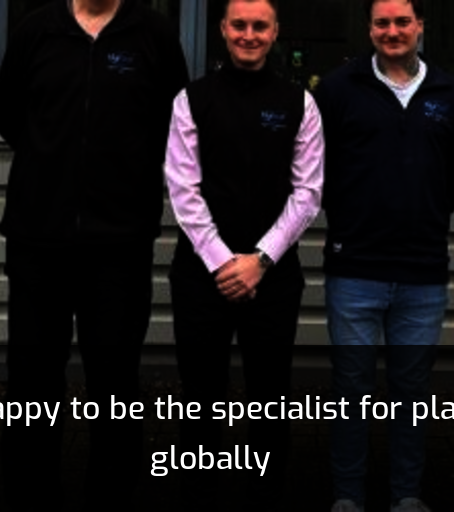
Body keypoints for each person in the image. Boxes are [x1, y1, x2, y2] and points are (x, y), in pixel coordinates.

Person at [0, 0, 189, 510]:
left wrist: (125, 176)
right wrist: (53, 161)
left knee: (115, 382)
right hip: (38, 240)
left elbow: (173, 124)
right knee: (32, 381)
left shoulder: (153, 35)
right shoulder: (36, 30)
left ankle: (110, 497)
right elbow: (8, 111)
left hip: (120, 245)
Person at [164, 1, 323, 510]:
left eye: (259, 26)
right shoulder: (192, 99)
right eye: (239, 25)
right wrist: (222, 262)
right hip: (201, 276)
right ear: (223, 29)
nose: (248, 35)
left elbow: (307, 195)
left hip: (273, 278)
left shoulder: (300, 103)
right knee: (200, 397)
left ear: (275, 32)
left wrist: (260, 259)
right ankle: (199, 497)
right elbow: (183, 189)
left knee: (269, 399)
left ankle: (265, 497)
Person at [313, 1, 454, 511]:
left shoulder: (450, 95)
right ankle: (348, 496)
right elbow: (316, 170)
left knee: (412, 390)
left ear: (420, 25)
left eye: (403, 21)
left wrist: (423, 213)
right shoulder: (337, 90)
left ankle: (406, 495)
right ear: (369, 29)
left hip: (423, 271)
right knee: (351, 388)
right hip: (355, 268)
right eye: (382, 22)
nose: (393, 30)